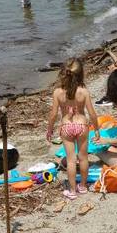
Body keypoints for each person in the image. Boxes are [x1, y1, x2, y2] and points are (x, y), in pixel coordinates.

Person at [47, 58, 100, 200]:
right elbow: (92, 113)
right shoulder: (83, 92)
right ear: (81, 74)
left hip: (66, 126)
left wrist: (49, 130)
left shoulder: (58, 92)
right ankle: (82, 186)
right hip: (82, 125)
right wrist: (96, 129)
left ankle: (72, 191)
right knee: (83, 158)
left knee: (70, 160)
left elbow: (53, 115)